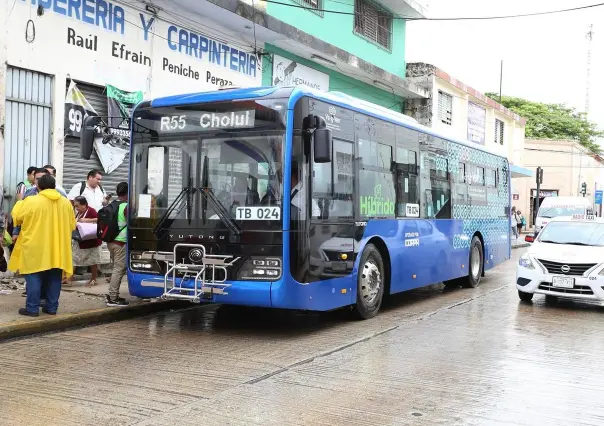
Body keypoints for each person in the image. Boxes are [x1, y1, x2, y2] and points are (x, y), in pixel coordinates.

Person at [9, 174, 76, 316]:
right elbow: (72, 225)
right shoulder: (65, 203)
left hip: (35, 245)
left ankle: (32, 308)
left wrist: (20, 201)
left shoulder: (31, 201)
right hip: (58, 247)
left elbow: (17, 217)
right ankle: (51, 308)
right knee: (54, 276)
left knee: (33, 276)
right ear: (54, 186)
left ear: (38, 186)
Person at [64, 196, 102, 287]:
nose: (76, 208)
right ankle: (69, 278)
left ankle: (93, 279)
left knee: (93, 261)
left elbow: (99, 220)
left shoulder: (91, 211)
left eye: (77, 206)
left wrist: (87, 220)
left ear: (84, 205)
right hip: (81, 240)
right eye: (75, 206)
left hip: (91, 241)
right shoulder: (79, 213)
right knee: (74, 258)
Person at [106, 182, 129, 307]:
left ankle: (112, 295)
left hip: (111, 241)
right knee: (119, 270)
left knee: (116, 268)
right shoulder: (126, 207)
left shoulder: (113, 204)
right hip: (120, 243)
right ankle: (113, 298)